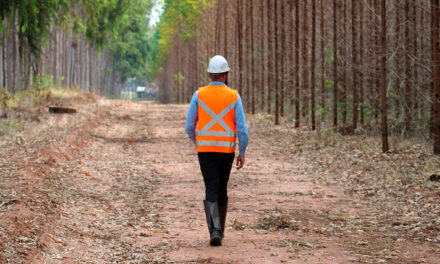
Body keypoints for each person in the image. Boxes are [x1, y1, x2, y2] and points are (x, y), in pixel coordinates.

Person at [185, 55, 249, 246]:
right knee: (222, 187)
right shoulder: (234, 96)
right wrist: (242, 151)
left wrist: (197, 140)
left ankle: (214, 230)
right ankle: (219, 230)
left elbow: (189, 126)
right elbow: (242, 129)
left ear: (210, 75)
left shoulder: (199, 95)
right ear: (225, 75)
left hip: (205, 151)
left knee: (211, 186)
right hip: (226, 151)